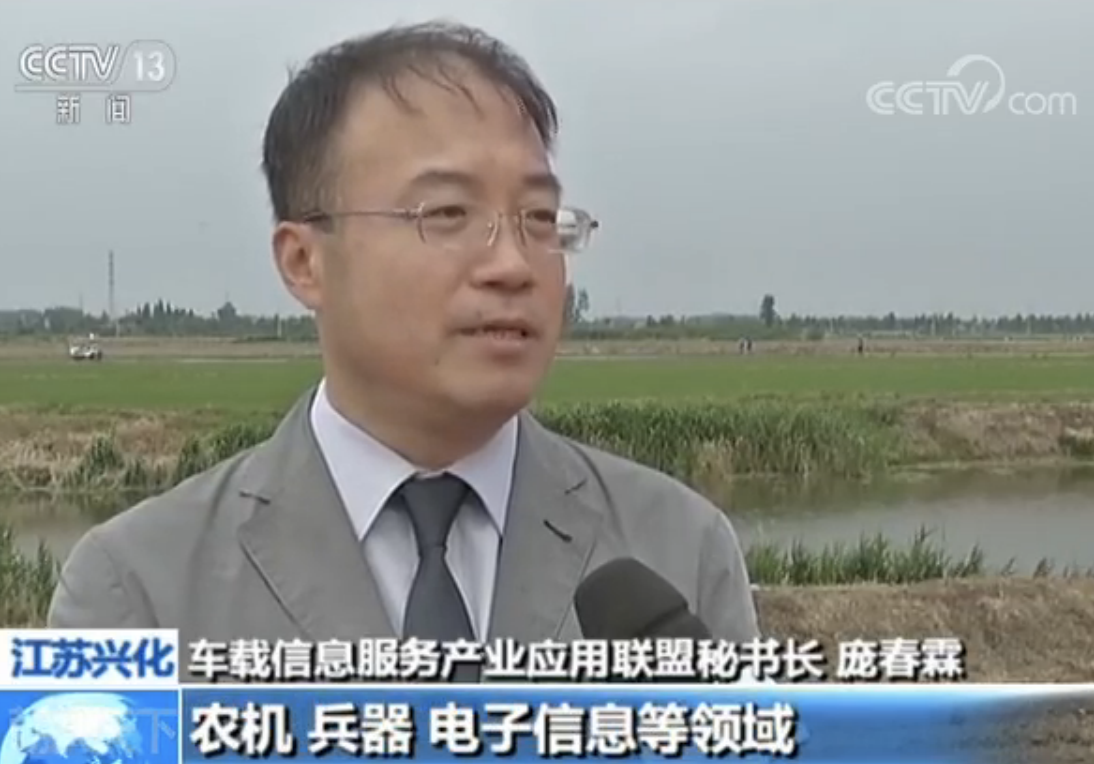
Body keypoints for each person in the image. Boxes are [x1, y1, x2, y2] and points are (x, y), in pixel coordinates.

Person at [48, 21, 760, 672]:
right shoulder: (136, 586)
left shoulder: (678, 549)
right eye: (447, 213)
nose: (513, 264)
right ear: (303, 261)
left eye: (540, 217)